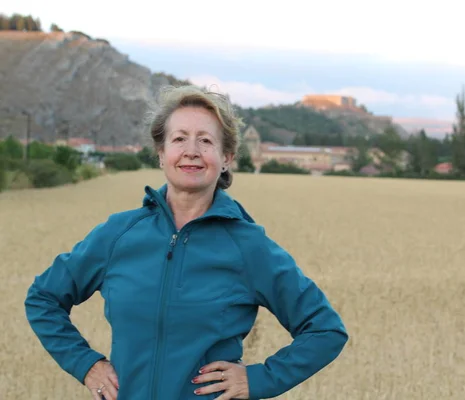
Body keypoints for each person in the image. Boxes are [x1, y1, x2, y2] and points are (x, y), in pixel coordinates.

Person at [24, 85, 349, 400]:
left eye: (205, 141)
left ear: (226, 158)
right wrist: (87, 365)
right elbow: (43, 297)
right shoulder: (118, 234)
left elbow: (325, 330)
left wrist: (258, 379)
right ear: (162, 154)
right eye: (179, 139)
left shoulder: (248, 246)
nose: (191, 151)